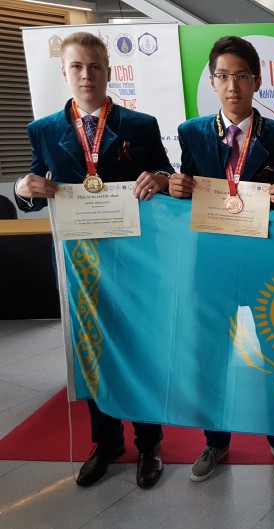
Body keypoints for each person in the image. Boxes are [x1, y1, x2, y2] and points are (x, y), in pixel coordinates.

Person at [14, 31, 169, 488]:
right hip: (79, 262)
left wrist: (160, 179)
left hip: (134, 257)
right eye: (77, 67)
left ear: (108, 71)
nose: (87, 75)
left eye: (95, 66)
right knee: (92, 351)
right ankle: (107, 441)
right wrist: (24, 188)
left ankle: (149, 443)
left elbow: (166, 171)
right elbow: (33, 186)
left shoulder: (140, 124)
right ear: (65, 72)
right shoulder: (43, 129)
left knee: (138, 349)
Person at [168, 35, 274, 483]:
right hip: (211, 264)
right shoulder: (192, 133)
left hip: (267, 262)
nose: (233, 86)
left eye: (242, 76)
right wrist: (176, 187)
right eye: (224, 76)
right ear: (213, 82)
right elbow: (184, 190)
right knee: (211, 357)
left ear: (257, 81)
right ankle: (215, 441)